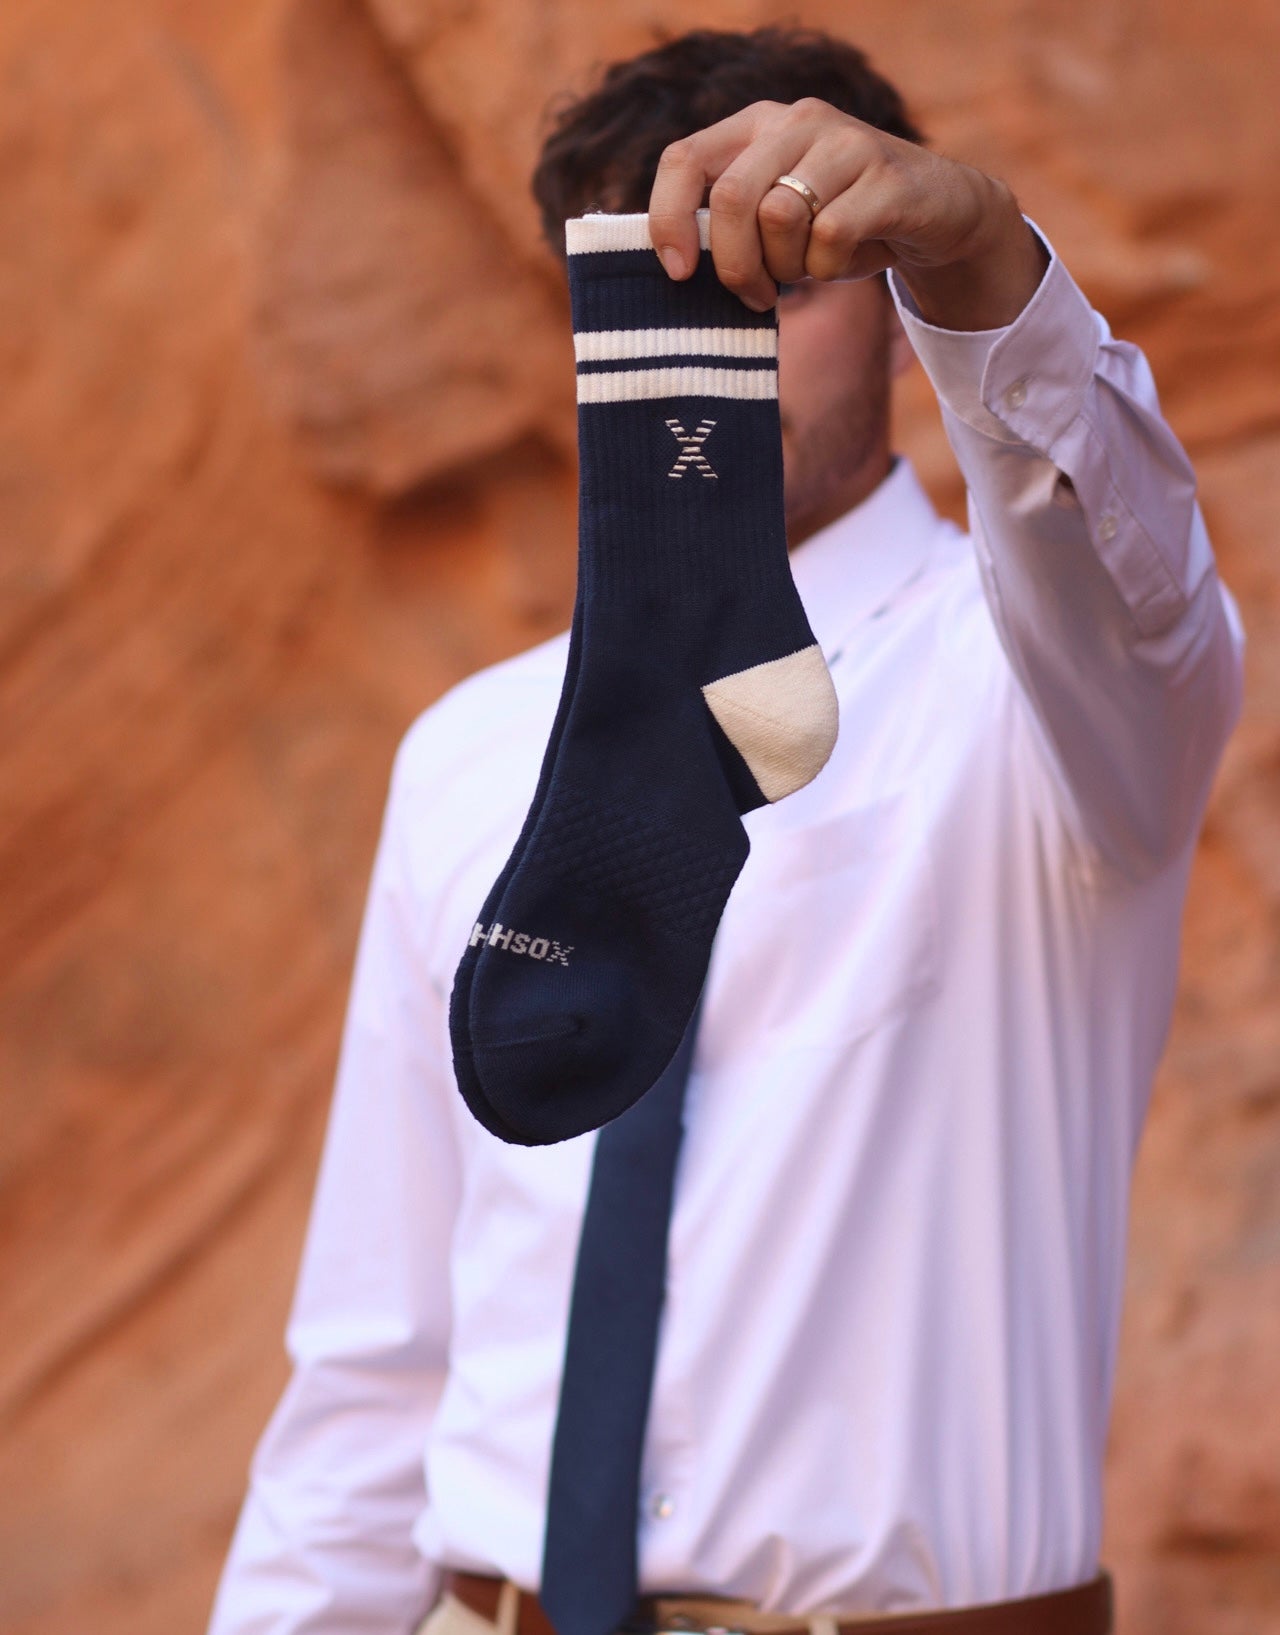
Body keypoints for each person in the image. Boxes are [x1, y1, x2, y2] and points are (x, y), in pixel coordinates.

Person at [207, 25, 1243, 1635]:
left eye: (786, 284)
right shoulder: (471, 755)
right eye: (653, 297)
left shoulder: (1037, 693)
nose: (720, 356)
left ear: (896, 313)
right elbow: (376, 1362)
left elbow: (1132, 578)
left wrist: (978, 255)